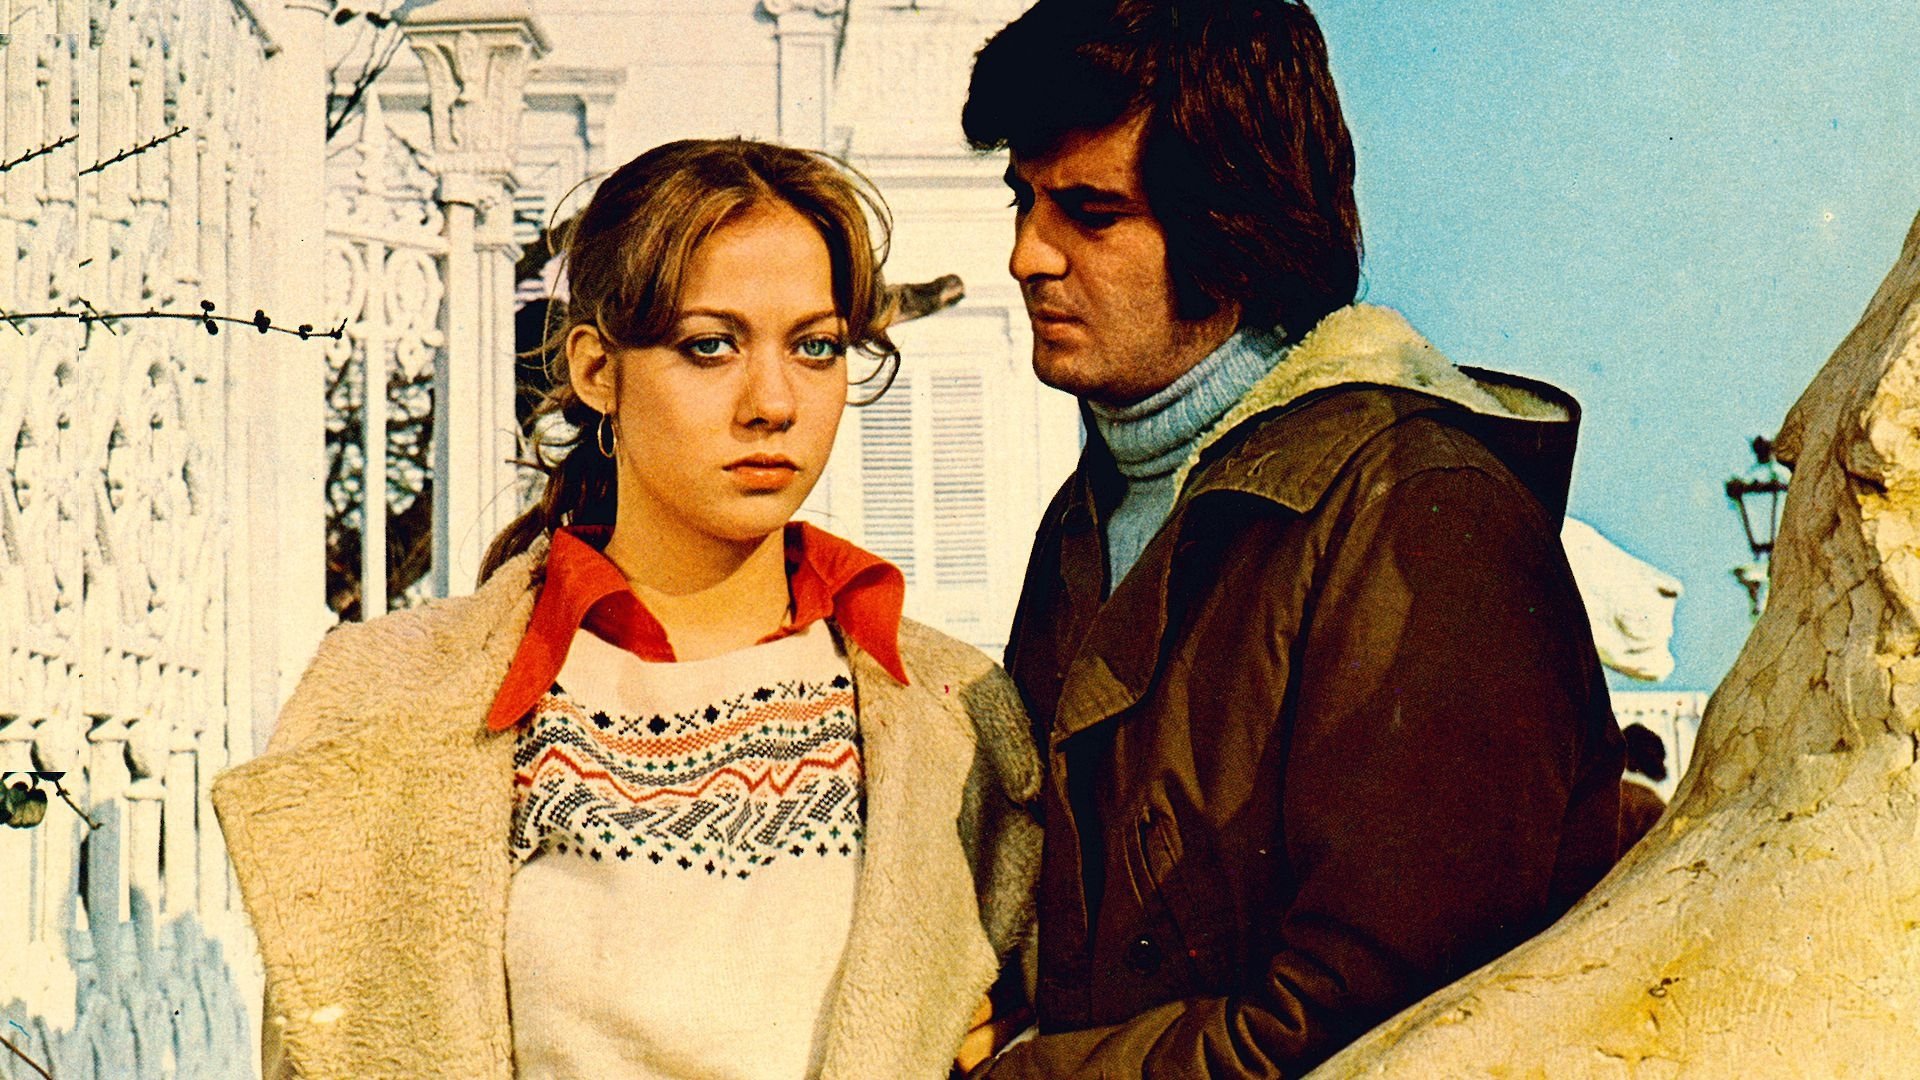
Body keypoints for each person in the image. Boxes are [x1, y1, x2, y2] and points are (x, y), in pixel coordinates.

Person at [212, 139, 1041, 1080]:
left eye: (815, 347)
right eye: (710, 346)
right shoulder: (391, 702)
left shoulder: (953, 713)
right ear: (597, 370)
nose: (773, 402)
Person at [960, 1, 1626, 1075]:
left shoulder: (1421, 513)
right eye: (1023, 200)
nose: (1026, 256)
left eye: (1090, 213)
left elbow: (1391, 1017)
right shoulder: (1092, 514)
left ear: (1232, 227)